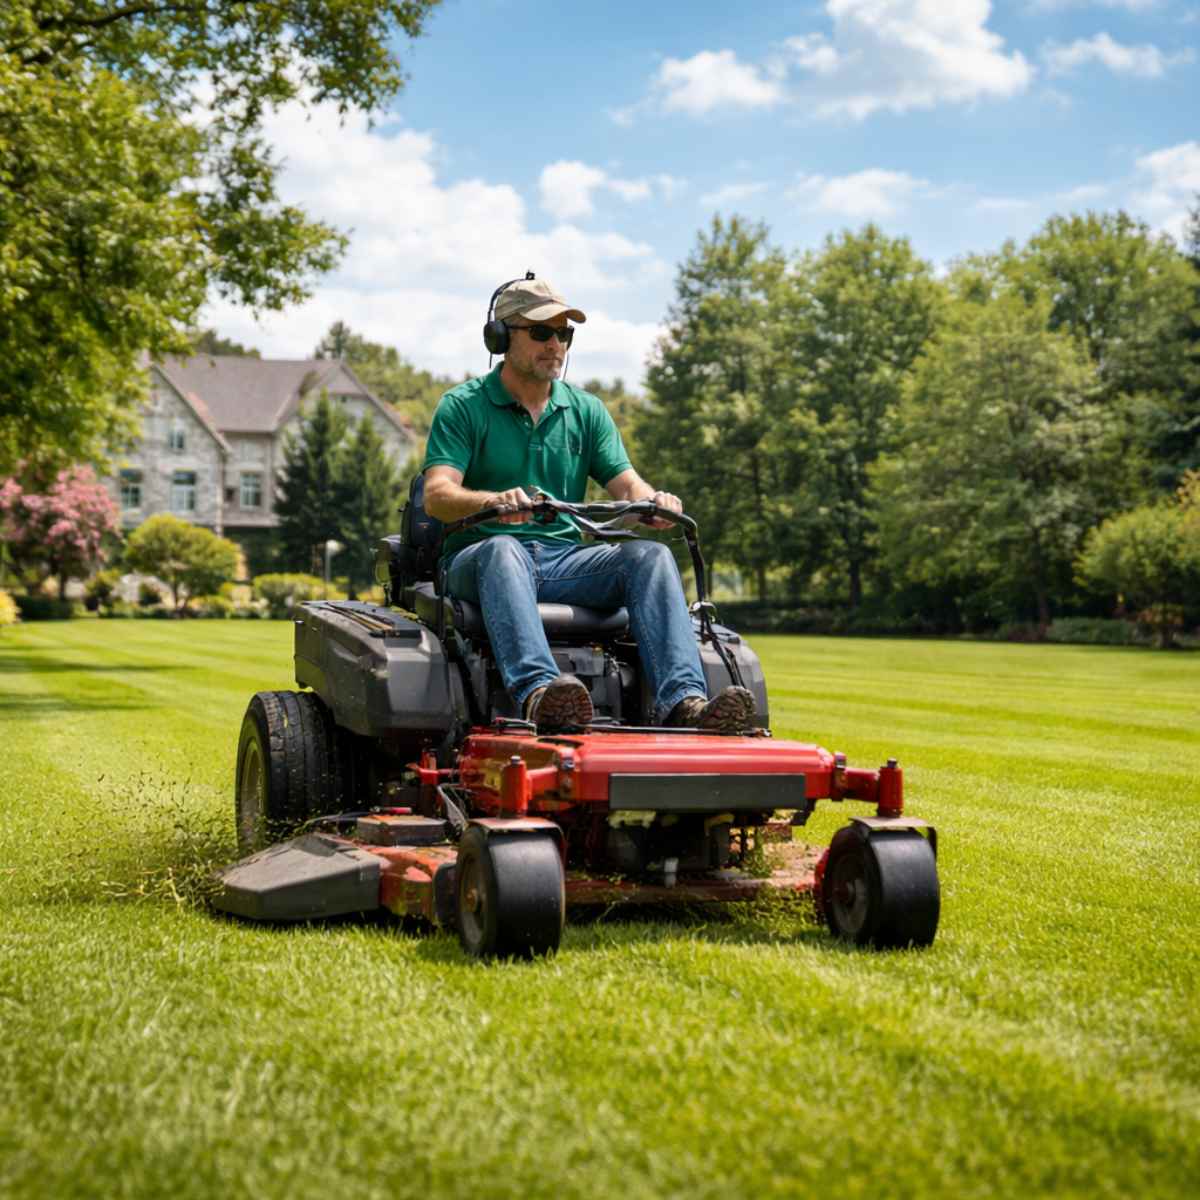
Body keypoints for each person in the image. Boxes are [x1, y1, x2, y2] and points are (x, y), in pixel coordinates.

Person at [422, 275, 755, 732]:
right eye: (541, 331)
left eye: (564, 333)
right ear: (500, 336)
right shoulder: (463, 406)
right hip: (478, 561)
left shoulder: (586, 411)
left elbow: (627, 485)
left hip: (563, 563)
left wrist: (652, 501)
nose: (555, 343)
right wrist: (493, 501)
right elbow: (437, 495)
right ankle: (541, 695)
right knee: (504, 549)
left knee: (651, 558)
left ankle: (685, 703)